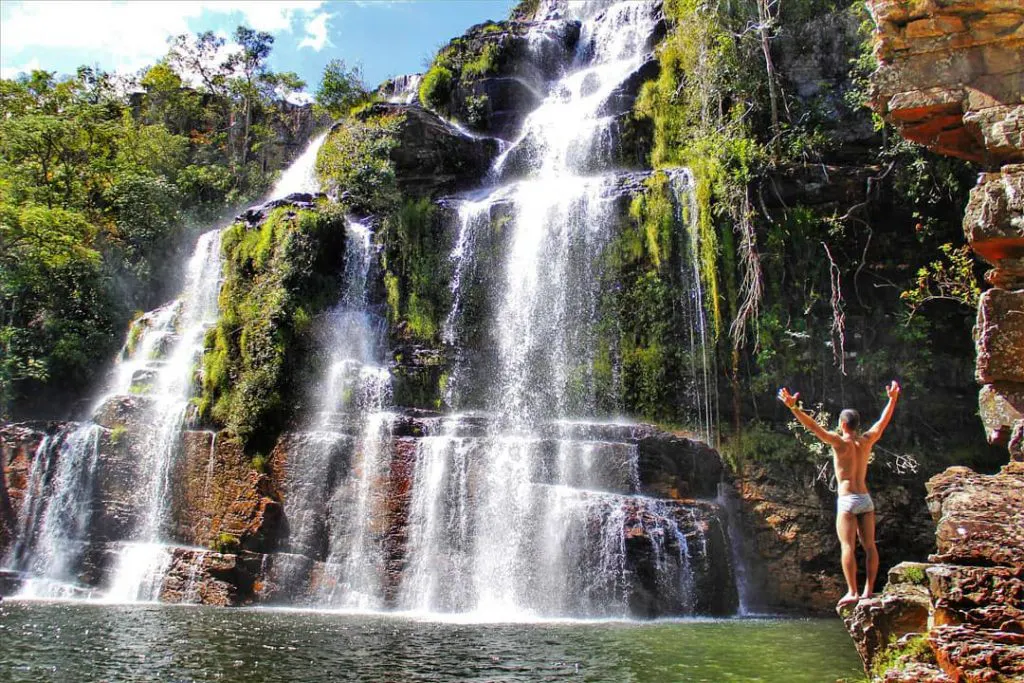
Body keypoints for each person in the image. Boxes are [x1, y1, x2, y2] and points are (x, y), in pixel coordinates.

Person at [777, 381, 901, 607]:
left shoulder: (839, 443)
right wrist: (892, 399)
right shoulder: (867, 440)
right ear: (857, 424)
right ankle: (869, 590)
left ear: (843, 424)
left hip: (847, 500)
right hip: (865, 499)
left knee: (848, 546)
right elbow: (882, 422)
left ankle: (852, 591)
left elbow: (814, 428)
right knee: (870, 545)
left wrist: (794, 408)